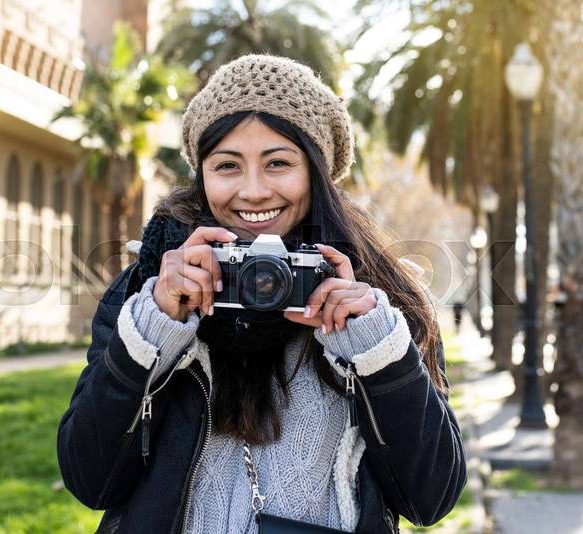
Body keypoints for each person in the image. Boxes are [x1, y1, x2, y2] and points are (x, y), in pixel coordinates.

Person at [57, 54, 466, 534]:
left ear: (316, 172)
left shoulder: (378, 301)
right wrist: (155, 331)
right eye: (227, 165)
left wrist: (376, 351)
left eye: (278, 163)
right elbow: (91, 482)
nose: (253, 191)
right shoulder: (146, 295)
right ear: (202, 174)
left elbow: (430, 499)